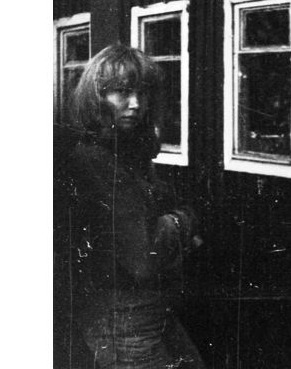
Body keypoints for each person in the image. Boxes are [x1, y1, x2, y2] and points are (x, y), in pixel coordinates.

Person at [65, 43, 205, 369]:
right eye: (122, 92)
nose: (136, 104)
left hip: (146, 308)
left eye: (143, 93)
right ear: (96, 96)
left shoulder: (126, 152)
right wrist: (184, 220)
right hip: (122, 317)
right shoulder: (96, 159)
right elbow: (143, 256)